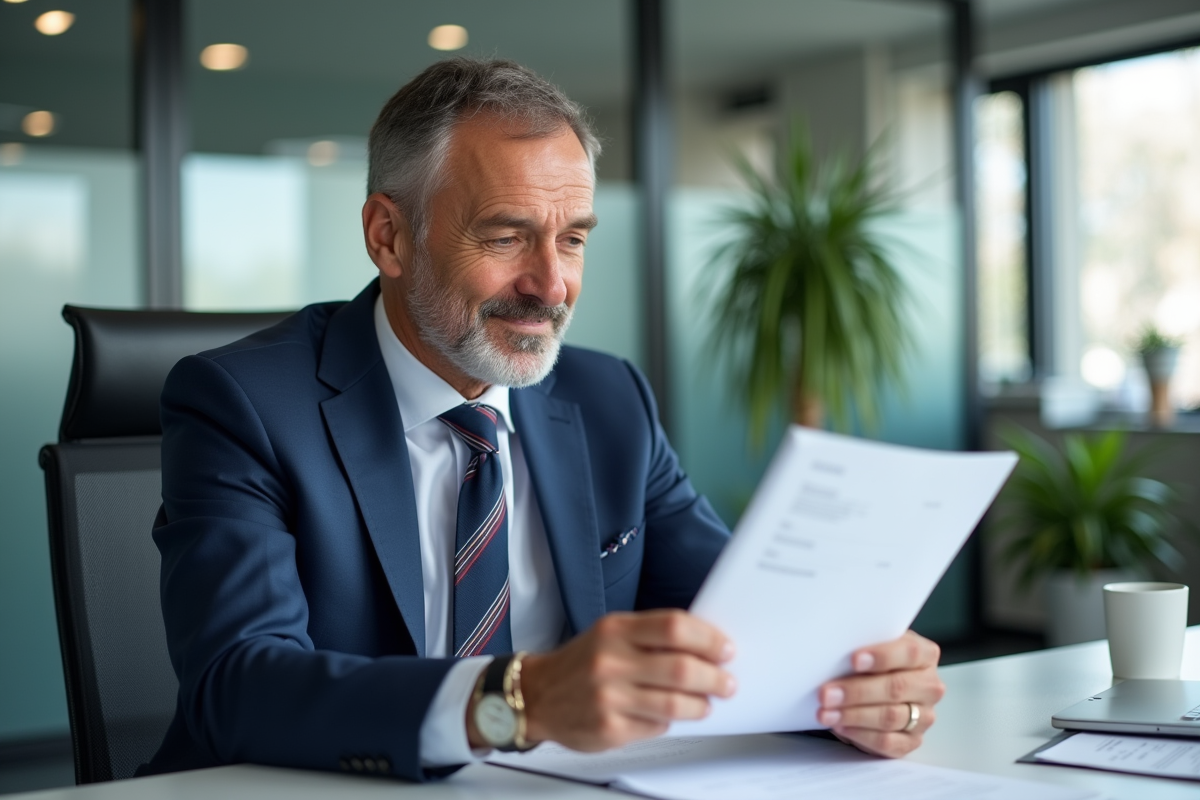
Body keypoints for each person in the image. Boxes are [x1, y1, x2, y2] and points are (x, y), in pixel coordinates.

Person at [143, 58, 944, 783]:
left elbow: (744, 629)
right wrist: (519, 701)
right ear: (389, 236)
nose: (551, 285)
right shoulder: (241, 402)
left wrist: (852, 687)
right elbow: (237, 685)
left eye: (573, 239)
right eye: (506, 235)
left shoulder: (609, 402)